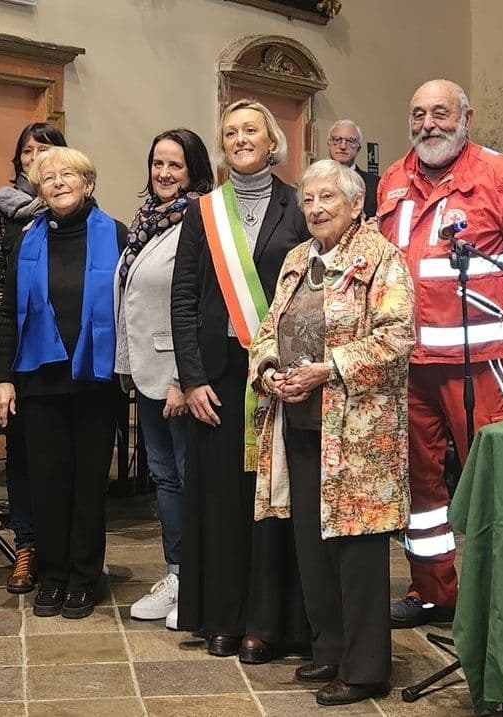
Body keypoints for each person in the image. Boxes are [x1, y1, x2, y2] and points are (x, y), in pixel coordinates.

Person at [377, 79, 503, 628]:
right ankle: (435, 591)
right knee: (421, 486)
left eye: (440, 113)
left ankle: (501, 597)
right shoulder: (390, 181)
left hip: (483, 367)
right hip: (409, 365)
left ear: (467, 118)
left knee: (492, 480)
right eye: (418, 113)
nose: (428, 123)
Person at [250, 159, 415, 706]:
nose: (316, 209)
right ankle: (331, 650)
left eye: (328, 199)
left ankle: (367, 668)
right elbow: (267, 327)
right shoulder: (298, 258)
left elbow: (397, 338)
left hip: (359, 434)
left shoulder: (381, 259)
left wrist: (329, 367)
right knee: (312, 544)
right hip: (298, 424)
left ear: (355, 205)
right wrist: (270, 368)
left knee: (357, 550)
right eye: (309, 200)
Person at [171, 99, 309, 658]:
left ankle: (266, 620)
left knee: (272, 497)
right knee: (222, 498)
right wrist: (191, 377)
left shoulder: (300, 205)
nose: (241, 138)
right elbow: (183, 297)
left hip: (278, 374)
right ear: (222, 145)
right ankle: (221, 616)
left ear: (272, 141)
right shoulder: (201, 211)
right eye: (231, 132)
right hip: (219, 377)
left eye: (252, 130)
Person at [0, 147, 127, 620]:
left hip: (95, 380)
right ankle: (51, 575)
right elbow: (7, 312)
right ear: (39, 189)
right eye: (47, 178)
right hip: (40, 380)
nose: (57, 182)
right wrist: (4, 380)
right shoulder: (25, 238)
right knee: (48, 482)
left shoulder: (118, 234)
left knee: (89, 484)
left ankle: (85, 578)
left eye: (68, 174)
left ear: (88, 183)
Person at [113, 129, 214, 623]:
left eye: (175, 165)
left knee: (188, 478)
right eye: (158, 164)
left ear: (194, 170)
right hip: (145, 371)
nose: (165, 173)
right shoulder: (147, 223)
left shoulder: (201, 219)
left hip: (176, 375)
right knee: (165, 479)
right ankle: (176, 572)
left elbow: (196, 304)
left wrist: (181, 377)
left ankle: (198, 579)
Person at [0, 122, 67, 594]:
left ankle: (63, 547)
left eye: (45, 149)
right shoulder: (3, 209)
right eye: (27, 151)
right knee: (24, 455)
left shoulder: (76, 208)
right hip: (17, 353)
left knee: (62, 454)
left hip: (66, 358)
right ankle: (27, 547)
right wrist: (24, 333)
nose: (34, 157)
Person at [327, 119, 379, 219]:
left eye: (350, 141)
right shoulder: (316, 181)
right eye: (337, 139)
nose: (342, 146)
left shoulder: (376, 185)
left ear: (358, 148)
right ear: (329, 144)